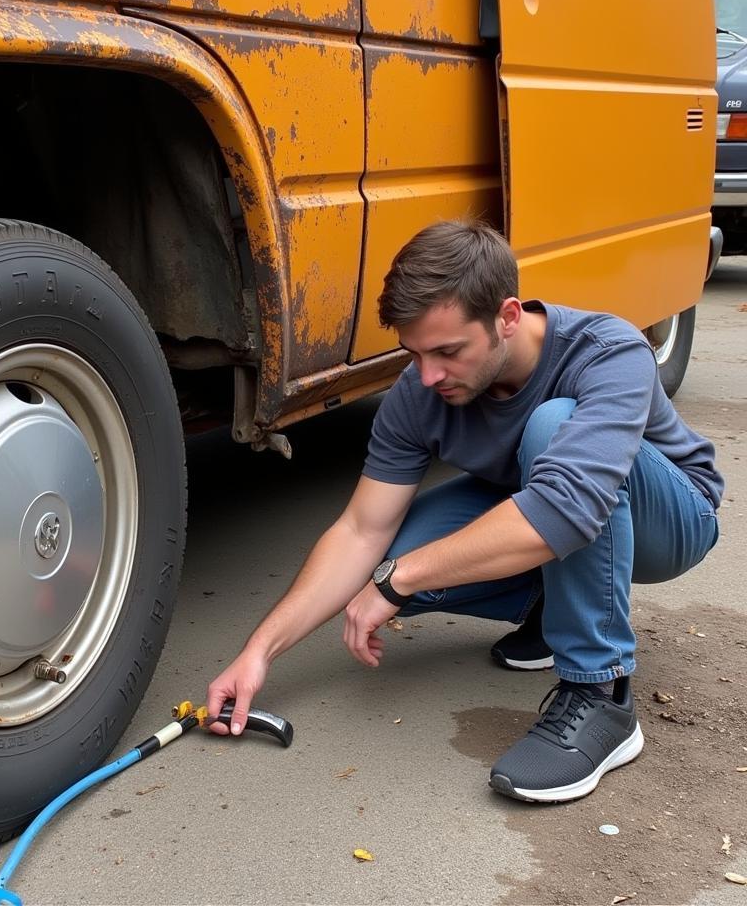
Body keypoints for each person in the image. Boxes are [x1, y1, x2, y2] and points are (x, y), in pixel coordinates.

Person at [206, 220, 723, 803]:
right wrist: (258, 652)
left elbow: (567, 505)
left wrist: (400, 580)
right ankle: (557, 603)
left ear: (506, 317)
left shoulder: (609, 351)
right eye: (415, 353)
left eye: (449, 352)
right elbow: (359, 530)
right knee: (392, 554)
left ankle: (600, 696)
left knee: (550, 429)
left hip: (676, 519)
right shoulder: (418, 390)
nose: (428, 375)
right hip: (550, 503)